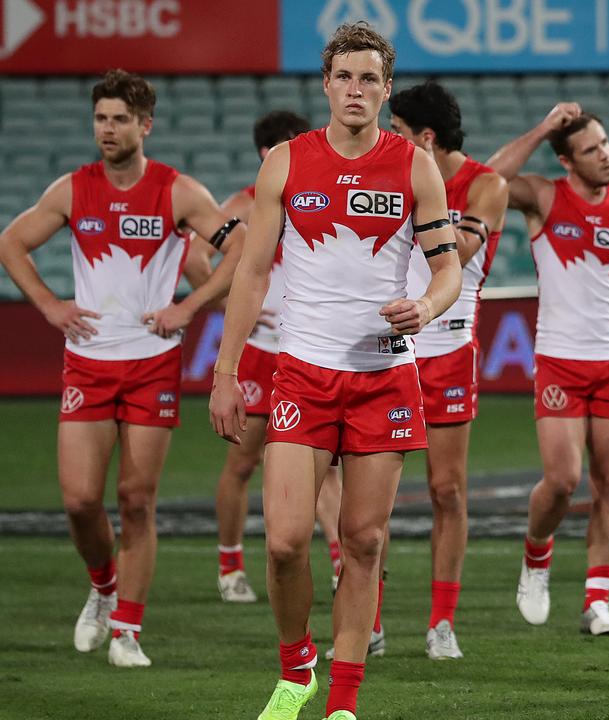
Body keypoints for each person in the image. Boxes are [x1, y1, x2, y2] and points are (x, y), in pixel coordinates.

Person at [208, 22, 461, 720]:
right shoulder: (286, 162)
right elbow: (253, 272)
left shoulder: (414, 166)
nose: (356, 90)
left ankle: (342, 703)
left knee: (364, 540)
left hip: (383, 376)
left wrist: (426, 307)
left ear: (385, 88)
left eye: (370, 79)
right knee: (287, 541)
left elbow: (447, 270)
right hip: (302, 373)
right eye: (344, 77)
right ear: (326, 84)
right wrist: (227, 370)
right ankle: (297, 668)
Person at [0, 69, 245, 668]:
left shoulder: (177, 191)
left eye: (118, 120)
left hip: (152, 365)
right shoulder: (72, 189)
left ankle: (126, 631)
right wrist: (51, 305)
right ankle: (103, 587)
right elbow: (10, 241)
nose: (106, 130)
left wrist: (187, 306)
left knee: (137, 501)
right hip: (87, 362)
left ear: (145, 125)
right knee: (82, 501)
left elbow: (241, 250)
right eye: (100, 119)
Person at [486, 103, 609, 636]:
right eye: (591, 150)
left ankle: (598, 599)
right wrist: (545, 128)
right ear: (568, 161)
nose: (605, 155)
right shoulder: (545, 196)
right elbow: (487, 177)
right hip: (560, 363)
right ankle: (536, 554)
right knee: (564, 480)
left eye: (606, 144)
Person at [389, 80, 509, 659]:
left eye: (398, 131)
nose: (388, 139)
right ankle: (369, 617)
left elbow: (457, 254)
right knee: (373, 501)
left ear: (425, 137)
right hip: (390, 351)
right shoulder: (390, 172)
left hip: (450, 349)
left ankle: (441, 622)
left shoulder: (486, 185)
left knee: (447, 490)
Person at [202, 110, 322, 604]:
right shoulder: (241, 206)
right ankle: (230, 565)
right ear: (264, 155)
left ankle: (332, 560)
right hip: (258, 353)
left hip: (309, 347)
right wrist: (221, 305)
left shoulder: (318, 198)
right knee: (242, 461)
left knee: (323, 465)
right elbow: (196, 259)